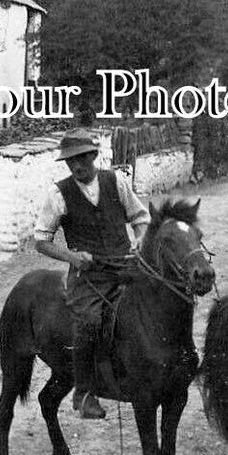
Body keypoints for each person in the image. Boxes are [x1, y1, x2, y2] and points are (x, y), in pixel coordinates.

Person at [34, 128, 150, 419]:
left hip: (125, 266)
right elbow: (41, 241)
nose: (77, 166)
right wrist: (73, 256)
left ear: (94, 156)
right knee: (90, 320)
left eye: (82, 159)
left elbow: (140, 217)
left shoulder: (116, 181)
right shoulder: (58, 194)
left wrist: (139, 241)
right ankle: (84, 393)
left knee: (158, 300)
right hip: (88, 277)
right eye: (71, 161)